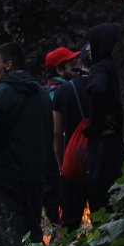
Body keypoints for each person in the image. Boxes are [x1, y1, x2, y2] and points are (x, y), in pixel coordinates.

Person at [0, 42, 55, 246]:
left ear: (9, 65)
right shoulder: (42, 96)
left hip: (6, 177)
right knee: (34, 232)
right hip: (35, 176)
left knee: (12, 235)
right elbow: (49, 138)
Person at [85, 23, 124, 216]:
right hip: (123, 139)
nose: (88, 50)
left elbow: (99, 91)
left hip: (106, 144)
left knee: (102, 197)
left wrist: (97, 124)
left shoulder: (100, 69)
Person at [41, 46, 80, 226]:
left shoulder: (42, 92)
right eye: (72, 65)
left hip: (45, 162)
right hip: (60, 160)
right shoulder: (63, 91)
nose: (77, 67)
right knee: (62, 214)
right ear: (59, 69)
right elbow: (57, 131)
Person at [54, 43, 91, 230]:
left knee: (68, 223)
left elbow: (56, 133)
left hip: (74, 161)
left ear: (80, 62)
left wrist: (61, 164)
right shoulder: (112, 83)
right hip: (103, 161)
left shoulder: (65, 91)